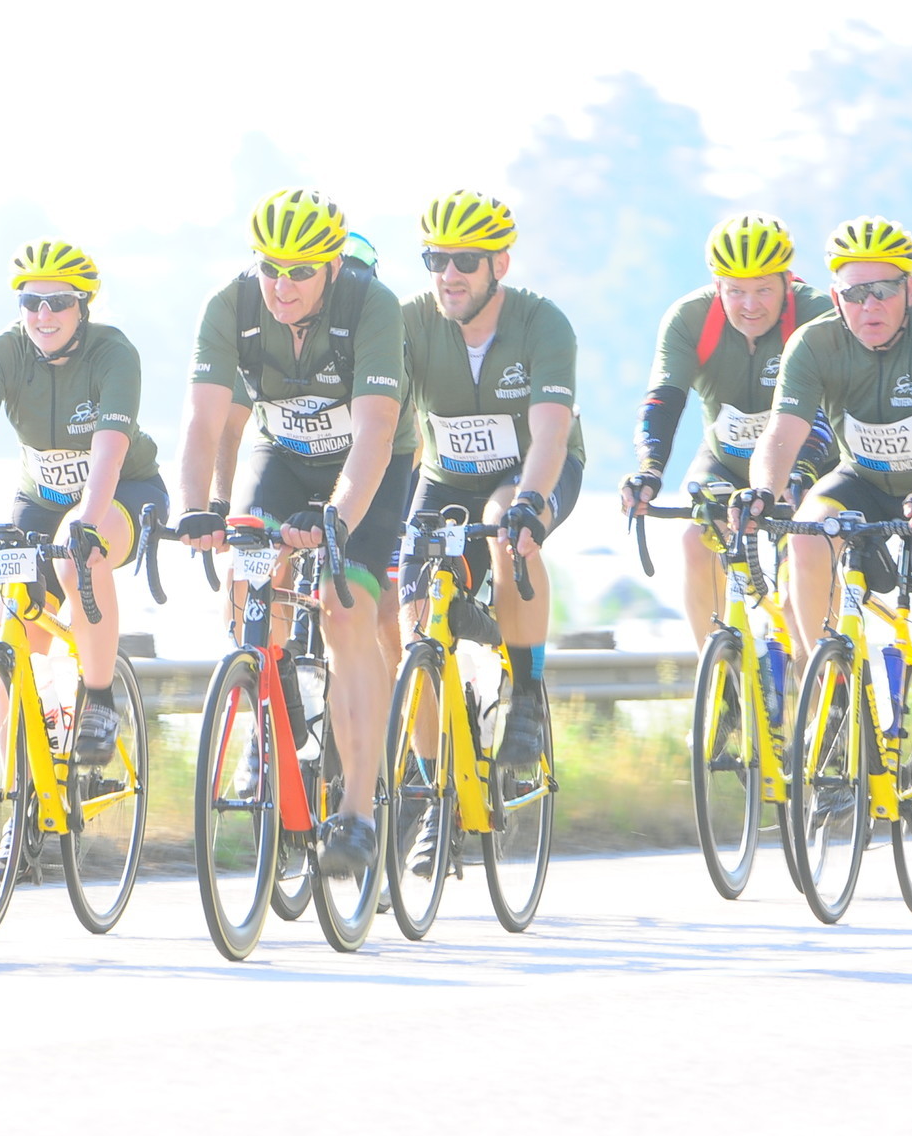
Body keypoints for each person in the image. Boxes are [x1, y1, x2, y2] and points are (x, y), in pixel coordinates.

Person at [174, 188, 411, 885]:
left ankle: (359, 812)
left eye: (301, 271)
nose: (282, 285)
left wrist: (337, 517)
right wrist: (198, 509)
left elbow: (375, 431)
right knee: (248, 578)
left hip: (370, 467)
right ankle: (265, 722)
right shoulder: (231, 305)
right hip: (281, 454)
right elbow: (204, 421)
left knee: (344, 608)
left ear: (332, 267)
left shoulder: (372, 305)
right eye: (271, 267)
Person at [747, 216, 912, 855]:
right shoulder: (813, 343)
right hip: (863, 477)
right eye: (855, 293)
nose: (871, 306)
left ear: (909, 290)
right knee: (805, 534)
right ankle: (828, 684)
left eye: (885, 290)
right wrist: (760, 492)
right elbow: (781, 433)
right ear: (836, 297)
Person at [0, 240, 167, 764]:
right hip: (41, 498)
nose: (43, 314)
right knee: (14, 628)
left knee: (80, 559)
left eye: (59, 302)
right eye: (31, 302)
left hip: (124, 490)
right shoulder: (1, 352)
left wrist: (88, 522)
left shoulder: (113, 353)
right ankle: (21, 785)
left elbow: (108, 456)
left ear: (84, 305)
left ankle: (99, 699)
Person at [394, 191, 578, 874]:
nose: (449, 275)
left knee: (507, 530)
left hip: (531, 470)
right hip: (445, 479)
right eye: (436, 260)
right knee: (414, 621)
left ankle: (524, 692)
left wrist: (530, 501)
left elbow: (550, 433)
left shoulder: (541, 323)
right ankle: (436, 792)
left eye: (465, 261)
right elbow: (383, 424)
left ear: (500, 263)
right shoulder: (410, 323)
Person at [622, 213, 836, 647]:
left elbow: (830, 412)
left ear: (787, 281)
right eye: (735, 291)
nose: (749, 305)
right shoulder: (690, 318)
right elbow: (663, 401)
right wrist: (650, 470)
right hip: (727, 460)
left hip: (806, 463)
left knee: (796, 594)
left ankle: (818, 680)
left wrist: (797, 477)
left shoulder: (817, 315)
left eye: (763, 290)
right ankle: (719, 675)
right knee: (695, 540)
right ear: (717, 284)